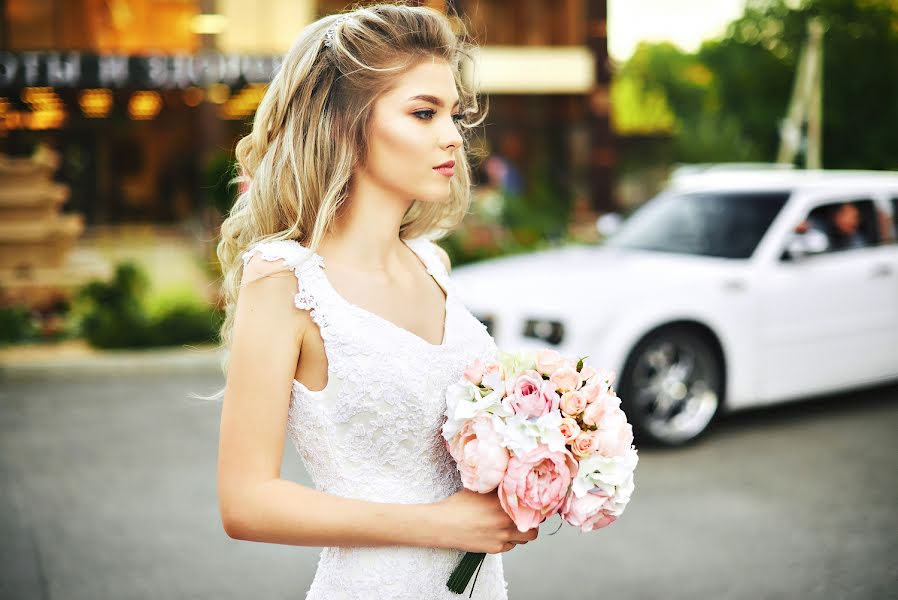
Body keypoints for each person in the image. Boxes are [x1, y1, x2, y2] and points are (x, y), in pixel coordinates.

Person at [214, 5, 535, 599]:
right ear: (344, 122)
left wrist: (533, 460)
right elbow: (245, 501)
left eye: (454, 115)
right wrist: (438, 524)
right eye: (423, 112)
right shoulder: (284, 280)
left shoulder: (431, 263)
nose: (451, 136)